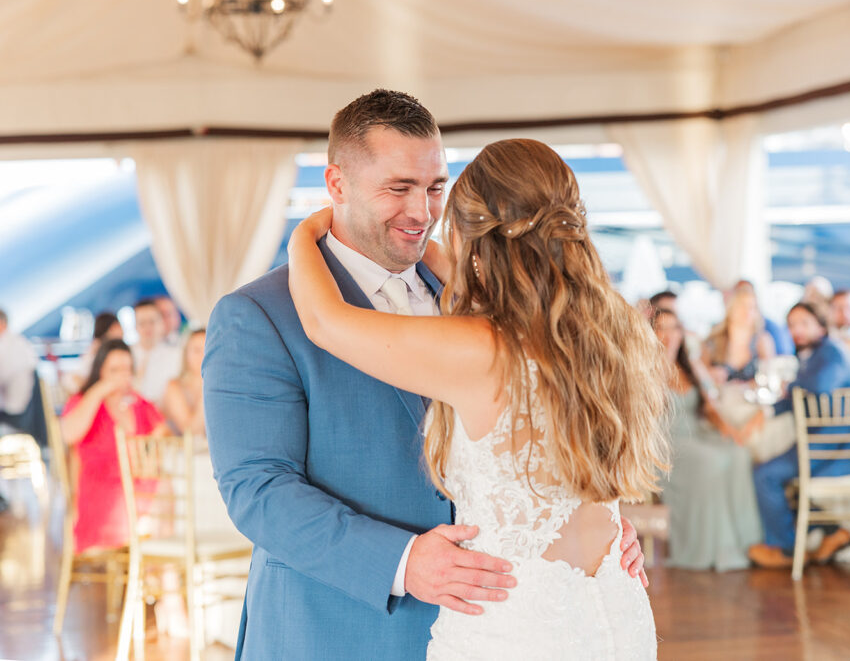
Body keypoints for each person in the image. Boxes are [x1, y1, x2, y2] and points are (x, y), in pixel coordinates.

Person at [203, 90, 648, 660]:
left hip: (502, 626)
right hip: (340, 632)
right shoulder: (257, 315)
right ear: (336, 184)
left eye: (436, 187)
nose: (422, 212)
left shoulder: (482, 306)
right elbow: (258, 491)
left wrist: (590, 532)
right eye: (399, 188)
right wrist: (402, 562)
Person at [744, 302, 850, 569]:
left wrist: (791, 384)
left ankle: (786, 550)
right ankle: (835, 531)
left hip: (839, 450)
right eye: (791, 325)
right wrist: (768, 411)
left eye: (803, 323)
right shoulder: (813, 355)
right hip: (827, 446)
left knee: (766, 474)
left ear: (820, 325)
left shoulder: (831, 352)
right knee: (785, 479)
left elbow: (819, 386)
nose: (796, 330)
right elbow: (796, 397)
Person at [653, 308, 762, 571]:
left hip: (697, 432)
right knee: (711, 462)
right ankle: (713, 549)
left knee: (738, 454)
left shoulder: (689, 367)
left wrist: (730, 431)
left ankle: (746, 542)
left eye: (674, 328)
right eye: (662, 328)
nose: (669, 335)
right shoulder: (644, 368)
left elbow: (709, 406)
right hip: (665, 442)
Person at [59, 339, 169, 553]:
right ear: (100, 370)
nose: (122, 375)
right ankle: (156, 570)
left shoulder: (136, 402)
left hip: (138, 490)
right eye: (114, 370)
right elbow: (68, 434)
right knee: (163, 502)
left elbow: (163, 430)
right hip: (102, 497)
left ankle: (160, 570)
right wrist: (100, 390)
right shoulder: (85, 400)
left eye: (127, 369)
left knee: (167, 488)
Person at [0, 307, 39, 512]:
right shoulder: (19, 343)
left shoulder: (8, 346)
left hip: (16, 417)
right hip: (23, 415)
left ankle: (7, 496)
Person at [702, 286, 775, 385]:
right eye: (742, 306)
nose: (747, 312)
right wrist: (711, 375)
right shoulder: (713, 341)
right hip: (721, 397)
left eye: (752, 307)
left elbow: (770, 377)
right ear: (731, 308)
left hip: (752, 398)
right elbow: (700, 375)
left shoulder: (762, 341)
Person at [131, 298, 180, 408]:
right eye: (142, 323)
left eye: (152, 322)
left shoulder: (175, 355)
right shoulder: (125, 355)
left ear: (161, 323)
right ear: (135, 326)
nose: (147, 328)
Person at [64, 311, 123, 394]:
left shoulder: (117, 350)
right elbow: (72, 381)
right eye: (118, 326)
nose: (122, 331)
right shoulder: (95, 350)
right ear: (111, 328)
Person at [162, 329, 206, 439]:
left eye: (207, 349)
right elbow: (191, 433)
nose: (203, 356)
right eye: (197, 350)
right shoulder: (174, 387)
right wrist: (206, 387)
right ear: (186, 353)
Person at [733, 280, 794, 356]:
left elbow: (785, 355)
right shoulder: (721, 337)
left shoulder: (767, 333)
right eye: (741, 305)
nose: (746, 311)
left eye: (750, 307)